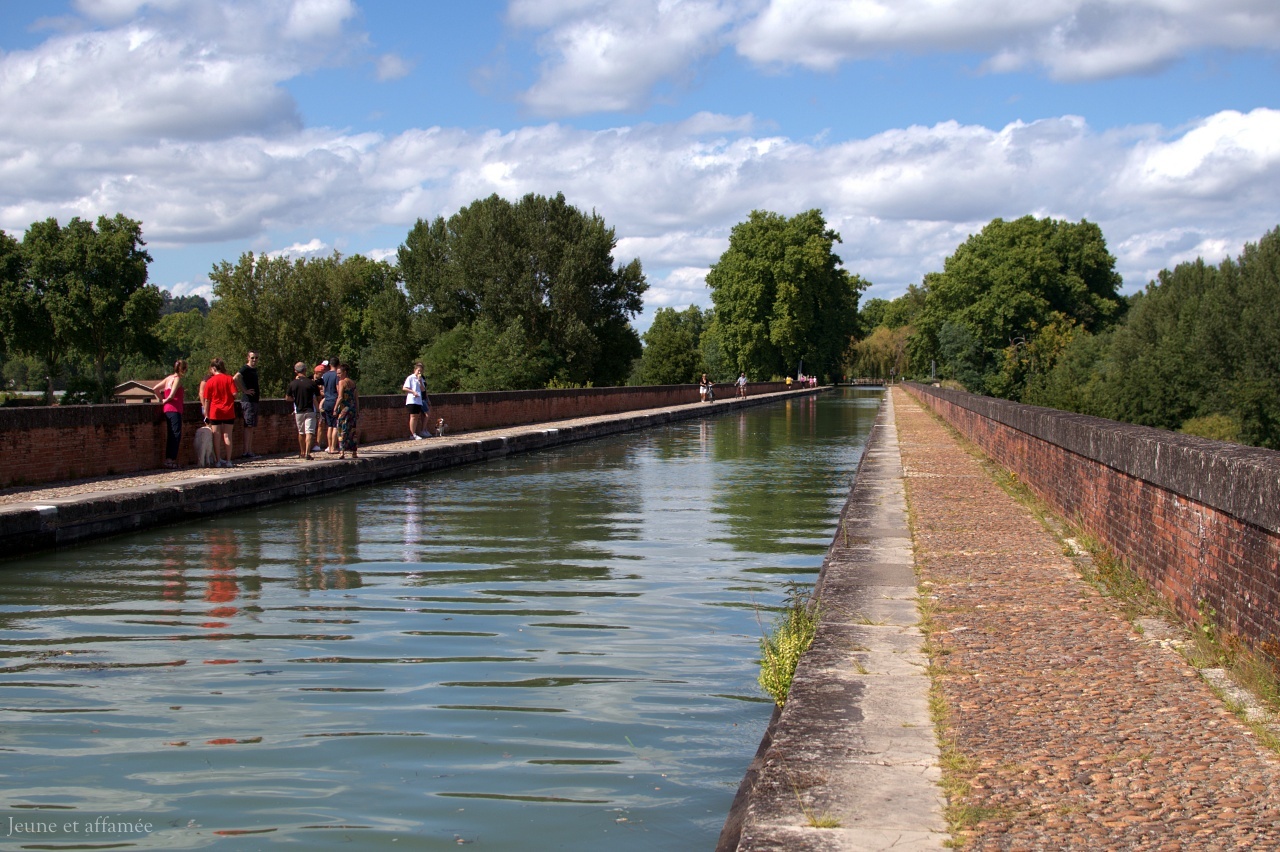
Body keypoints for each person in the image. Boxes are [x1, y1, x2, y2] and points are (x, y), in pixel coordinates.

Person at [201, 358, 237, 468]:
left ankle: (218, 461)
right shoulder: (229, 379)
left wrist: (206, 413)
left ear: (213, 368)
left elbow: (206, 399)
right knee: (227, 436)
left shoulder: (210, 381)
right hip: (228, 411)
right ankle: (229, 460)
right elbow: (234, 394)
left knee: (216, 436)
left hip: (215, 411)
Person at [154, 359, 188, 468]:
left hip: (167, 409)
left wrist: (161, 399)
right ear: (183, 369)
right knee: (175, 434)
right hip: (175, 409)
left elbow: (155, 389)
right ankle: (171, 460)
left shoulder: (168, 378)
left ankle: (169, 459)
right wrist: (165, 400)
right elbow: (172, 395)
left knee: (171, 434)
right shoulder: (177, 379)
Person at [286, 361, 321, 461]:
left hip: (298, 411)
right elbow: (318, 397)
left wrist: (295, 399)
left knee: (301, 433)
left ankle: (301, 451)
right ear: (305, 370)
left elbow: (287, 398)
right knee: (309, 432)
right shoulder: (312, 383)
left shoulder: (292, 384)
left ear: (295, 371)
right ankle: (307, 453)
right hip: (310, 410)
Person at [232, 350, 260, 459]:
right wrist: (244, 390)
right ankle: (246, 451)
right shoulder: (245, 368)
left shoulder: (254, 370)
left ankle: (249, 450)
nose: (254, 360)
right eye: (252, 358)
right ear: (248, 358)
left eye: (256, 358)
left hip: (254, 400)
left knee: (251, 426)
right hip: (248, 400)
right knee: (248, 425)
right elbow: (235, 378)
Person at [334, 363, 359, 459]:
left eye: (339, 373)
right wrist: (357, 410)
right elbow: (356, 398)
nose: (338, 375)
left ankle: (342, 452)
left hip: (344, 409)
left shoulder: (342, 382)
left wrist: (335, 408)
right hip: (352, 409)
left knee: (342, 429)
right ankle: (354, 452)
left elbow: (340, 397)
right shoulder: (352, 383)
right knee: (352, 431)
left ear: (344, 372)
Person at [318, 358, 340, 454]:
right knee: (335, 425)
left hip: (326, 401)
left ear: (330, 365)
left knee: (329, 425)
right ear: (338, 365)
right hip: (334, 401)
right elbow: (338, 389)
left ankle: (329, 446)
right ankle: (333, 447)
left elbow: (322, 389)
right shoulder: (337, 375)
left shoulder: (324, 375)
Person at [402, 362, 428, 439]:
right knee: (413, 416)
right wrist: (413, 392)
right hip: (412, 400)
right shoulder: (410, 378)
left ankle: (414, 433)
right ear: (415, 370)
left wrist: (420, 381)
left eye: (421, 371)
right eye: (418, 370)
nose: (419, 372)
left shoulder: (420, 379)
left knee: (416, 417)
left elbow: (423, 389)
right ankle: (413, 434)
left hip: (418, 400)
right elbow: (404, 388)